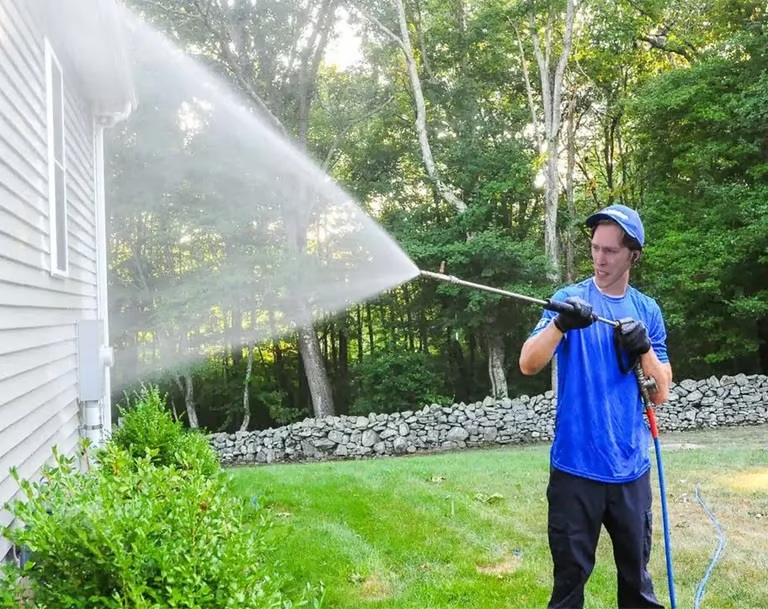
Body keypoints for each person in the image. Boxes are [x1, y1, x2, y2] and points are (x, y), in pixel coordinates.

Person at [519, 204, 673, 609]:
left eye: (610, 251)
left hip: (630, 470)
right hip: (574, 471)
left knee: (637, 585)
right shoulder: (568, 301)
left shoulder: (647, 311)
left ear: (633, 255)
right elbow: (528, 363)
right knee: (568, 587)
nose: (599, 259)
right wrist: (559, 324)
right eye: (594, 248)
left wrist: (643, 350)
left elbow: (659, 392)